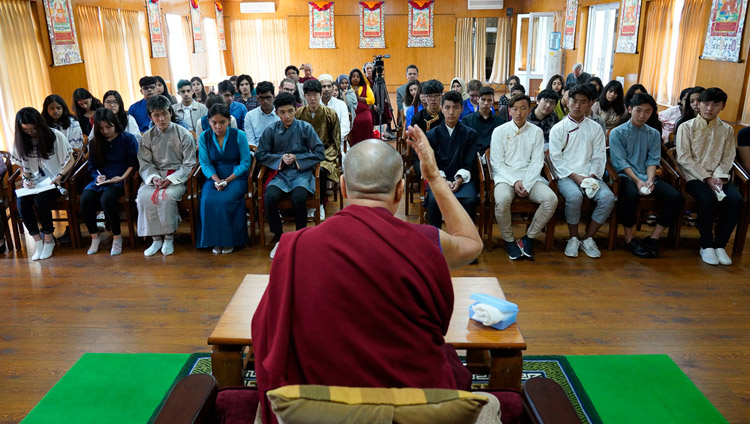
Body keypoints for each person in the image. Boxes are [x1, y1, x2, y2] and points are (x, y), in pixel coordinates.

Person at [251, 131, 482, 423]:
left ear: (344, 187)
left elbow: (266, 328)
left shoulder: (297, 245)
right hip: (413, 405)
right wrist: (434, 177)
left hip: (322, 400)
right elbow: (472, 244)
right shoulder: (426, 240)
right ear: (400, 191)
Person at [609, 93, 684, 258]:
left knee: (676, 197)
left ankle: (654, 237)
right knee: (630, 195)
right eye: (638, 110)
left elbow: (653, 159)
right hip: (626, 176)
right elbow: (620, 162)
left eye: (647, 111)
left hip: (647, 176)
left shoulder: (653, 134)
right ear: (630, 109)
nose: (642, 115)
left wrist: (650, 180)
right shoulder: (617, 133)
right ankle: (629, 237)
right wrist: (637, 181)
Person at [676, 88, 743, 266]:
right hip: (694, 177)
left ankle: (720, 244)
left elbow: (729, 156)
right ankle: (706, 245)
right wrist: (706, 177)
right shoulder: (686, 127)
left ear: (723, 106)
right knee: (706, 200)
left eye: (716, 105)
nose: (710, 108)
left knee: (736, 200)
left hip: (720, 177)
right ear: (699, 104)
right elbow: (683, 158)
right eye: (706, 103)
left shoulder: (727, 129)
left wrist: (719, 176)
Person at [255, 93, 325, 257]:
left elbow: (319, 152)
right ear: (277, 112)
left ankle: (301, 235)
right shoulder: (271, 130)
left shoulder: (305, 127)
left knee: (299, 197)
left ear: (296, 110)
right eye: (282, 112)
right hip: (279, 173)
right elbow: (260, 153)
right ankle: (279, 236)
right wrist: (279, 158)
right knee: (270, 197)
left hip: (301, 172)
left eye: (290, 111)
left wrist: (297, 157)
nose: (287, 116)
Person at [549, 84, 614, 258]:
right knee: (574, 196)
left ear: (590, 104)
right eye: (574, 101)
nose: (577, 106)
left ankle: (587, 238)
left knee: (608, 198)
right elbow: (556, 159)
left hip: (591, 174)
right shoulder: (558, 129)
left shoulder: (595, 128)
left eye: (583, 102)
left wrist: (591, 176)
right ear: (567, 102)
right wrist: (576, 178)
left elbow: (600, 156)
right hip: (567, 176)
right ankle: (573, 238)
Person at [490, 94, 558, 260]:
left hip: (530, 177)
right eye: (515, 109)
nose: (519, 113)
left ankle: (528, 238)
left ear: (529, 110)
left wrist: (525, 183)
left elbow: (537, 162)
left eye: (523, 108)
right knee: (502, 199)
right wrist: (514, 182)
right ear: (509, 110)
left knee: (551, 199)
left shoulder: (536, 132)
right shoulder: (499, 131)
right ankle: (508, 239)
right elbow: (496, 163)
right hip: (505, 177)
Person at [136, 95, 197, 257]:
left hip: (177, 177)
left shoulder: (184, 134)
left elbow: (189, 164)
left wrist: (170, 179)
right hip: (155, 177)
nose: (161, 119)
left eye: (164, 113)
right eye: (156, 115)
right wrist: (153, 178)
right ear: (150, 117)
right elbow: (145, 163)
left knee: (166, 197)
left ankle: (169, 237)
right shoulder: (147, 137)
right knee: (143, 196)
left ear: (170, 112)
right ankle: (155, 238)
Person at [11, 107, 75, 261]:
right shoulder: (21, 140)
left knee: (41, 201)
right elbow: (22, 166)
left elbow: (70, 160)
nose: (30, 132)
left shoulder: (55, 136)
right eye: (26, 130)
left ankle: (49, 239)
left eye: (33, 129)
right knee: (22, 202)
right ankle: (37, 241)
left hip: (55, 181)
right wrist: (26, 180)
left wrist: (60, 176)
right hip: (35, 183)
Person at [81, 108, 139, 256]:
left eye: (109, 127)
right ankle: (95, 236)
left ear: (115, 124)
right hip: (102, 178)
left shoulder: (127, 138)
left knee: (107, 199)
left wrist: (122, 177)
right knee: (86, 198)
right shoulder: (95, 143)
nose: (106, 131)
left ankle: (117, 236)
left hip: (120, 178)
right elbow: (92, 166)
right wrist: (97, 177)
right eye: (101, 128)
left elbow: (133, 164)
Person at [197, 104, 252, 254]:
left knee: (226, 200)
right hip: (214, 176)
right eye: (214, 122)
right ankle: (214, 240)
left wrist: (227, 180)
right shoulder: (205, 136)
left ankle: (230, 240)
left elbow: (245, 162)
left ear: (229, 120)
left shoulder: (238, 134)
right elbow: (205, 163)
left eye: (222, 122)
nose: (218, 126)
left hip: (236, 176)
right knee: (207, 199)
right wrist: (216, 180)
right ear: (209, 121)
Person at [420, 91, 478, 228]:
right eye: (447, 107)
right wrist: (444, 180)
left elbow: (469, 162)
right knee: (434, 202)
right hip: (439, 178)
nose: (451, 112)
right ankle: (435, 242)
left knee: (469, 201)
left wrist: (459, 180)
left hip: (463, 180)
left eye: (455, 107)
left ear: (461, 109)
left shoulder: (470, 134)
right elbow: (432, 164)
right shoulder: (431, 135)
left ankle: (465, 242)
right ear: (441, 108)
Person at [296, 79, 341, 220]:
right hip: (304, 153)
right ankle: (308, 205)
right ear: (304, 96)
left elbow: (336, 140)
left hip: (325, 154)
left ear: (320, 94)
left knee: (320, 171)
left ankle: (319, 204)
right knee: (301, 170)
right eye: (308, 95)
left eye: (315, 94)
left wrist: (328, 155)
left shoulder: (330, 114)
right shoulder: (299, 114)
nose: (312, 98)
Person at [462, 86, 504, 156]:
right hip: (472, 158)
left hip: (493, 157)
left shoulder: (500, 122)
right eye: (483, 99)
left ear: (493, 101)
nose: (486, 103)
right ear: (478, 99)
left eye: (489, 100)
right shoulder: (467, 121)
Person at [243, 81, 280, 147]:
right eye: (262, 98)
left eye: (268, 97)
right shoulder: (250, 116)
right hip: (257, 152)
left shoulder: (281, 115)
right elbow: (250, 142)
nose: (265, 101)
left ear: (273, 97)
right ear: (257, 99)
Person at [319, 74, 351, 142]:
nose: (326, 89)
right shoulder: (315, 105)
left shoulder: (341, 104)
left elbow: (345, 127)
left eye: (329, 86)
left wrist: (332, 139)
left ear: (332, 88)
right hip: (318, 144)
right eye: (323, 86)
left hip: (337, 143)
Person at [348, 68, 374, 146]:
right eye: (353, 76)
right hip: (352, 112)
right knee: (354, 123)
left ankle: (367, 145)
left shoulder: (365, 87)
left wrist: (359, 98)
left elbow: (372, 100)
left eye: (358, 77)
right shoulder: (348, 88)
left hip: (364, 111)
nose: (355, 78)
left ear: (360, 78)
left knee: (367, 120)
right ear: (350, 78)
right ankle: (354, 146)